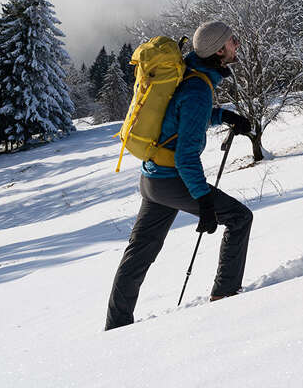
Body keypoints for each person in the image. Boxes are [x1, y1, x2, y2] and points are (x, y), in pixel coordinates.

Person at [105, 21, 253, 330]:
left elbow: (179, 120)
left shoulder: (189, 72)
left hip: (152, 178)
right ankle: (225, 294)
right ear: (219, 50)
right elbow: (186, 156)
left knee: (139, 253)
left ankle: (116, 326)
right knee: (239, 218)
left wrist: (223, 116)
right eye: (232, 41)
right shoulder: (198, 88)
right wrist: (204, 202)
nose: (237, 45)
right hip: (172, 179)